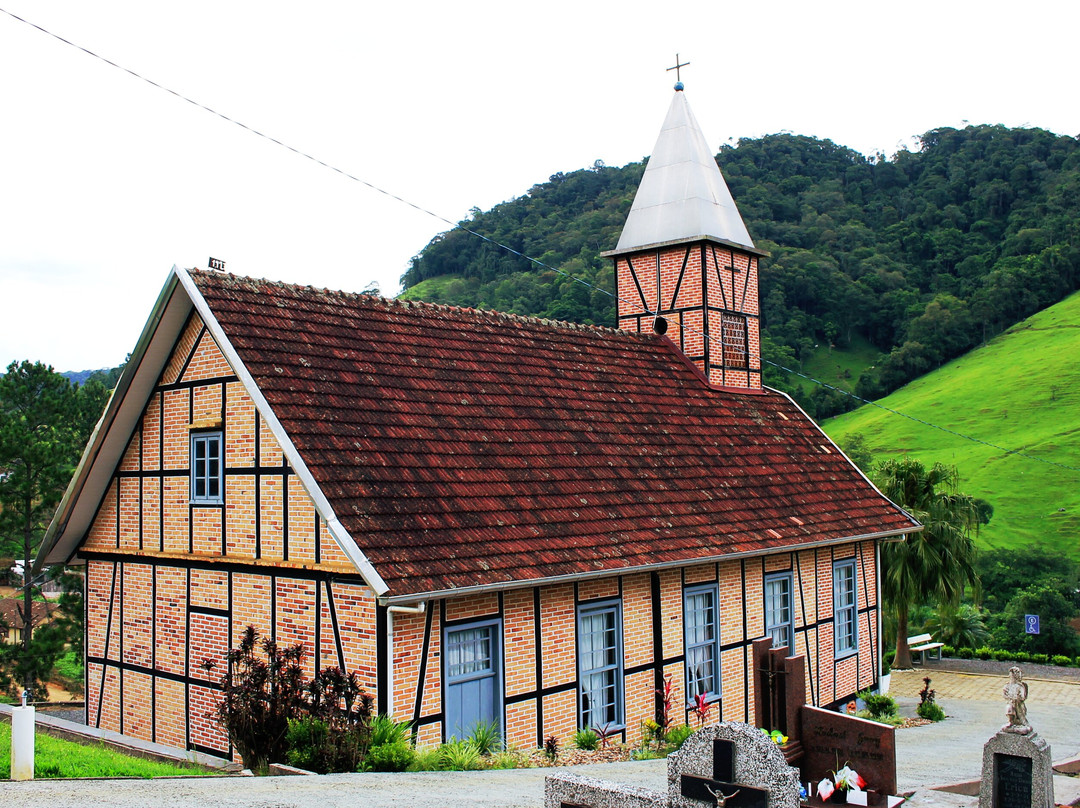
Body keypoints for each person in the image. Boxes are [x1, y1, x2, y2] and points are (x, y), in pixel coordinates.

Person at [1002, 666, 1030, 734]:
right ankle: (1011, 722)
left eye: (1012, 675)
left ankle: (1021, 723)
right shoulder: (1007, 686)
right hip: (1011, 703)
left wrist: (1017, 698)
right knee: (1009, 708)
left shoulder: (1020, 686)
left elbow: (1023, 697)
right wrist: (1008, 696)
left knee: (1020, 715)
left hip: (1018, 705)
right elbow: (1004, 695)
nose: (1010, 677)